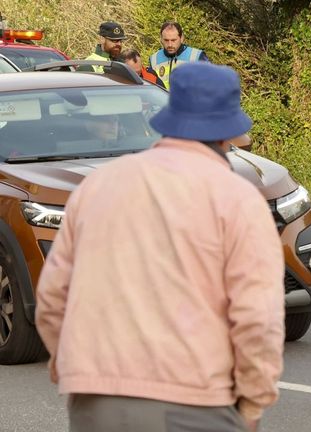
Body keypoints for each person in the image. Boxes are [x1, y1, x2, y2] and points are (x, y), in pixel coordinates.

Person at [35, 63, 285, 432]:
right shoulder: (236, 198)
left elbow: (53, 297)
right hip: (195, 401)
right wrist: (252, 401)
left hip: (96, 402)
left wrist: (72, 366)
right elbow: (256, 317)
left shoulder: (98, 186)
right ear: (229, 134)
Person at [149, 21, 209, 89]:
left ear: (182, 38)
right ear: (161, 39)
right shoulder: (153, 59)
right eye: (166, 40)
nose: (170, 45)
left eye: (173, 40)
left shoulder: (197, 56)